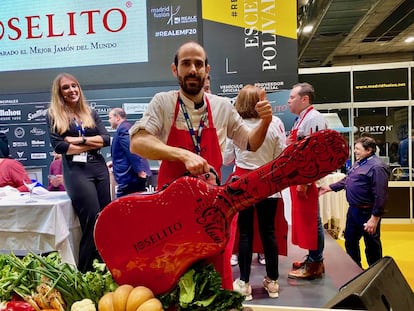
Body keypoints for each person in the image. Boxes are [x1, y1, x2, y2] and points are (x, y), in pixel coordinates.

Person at [129, 41, 273, 290]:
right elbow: (138, 141)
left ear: (207, 70)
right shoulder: (163, 103)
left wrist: (265, 122)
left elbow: (250, 143)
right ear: (175, 70)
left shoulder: (222, 106)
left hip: (211, 210)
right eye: (186, 63)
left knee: (215, 277)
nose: (193, 69)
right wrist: (182, 154)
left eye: (198, 64)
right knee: (174, 277)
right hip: (170, 212)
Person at [224, 85, 286, 300]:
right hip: (268, 184)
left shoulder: (236, 125)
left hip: (243, 185)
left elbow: (226, 158)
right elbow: (281, 155)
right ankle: (273, 282)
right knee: (269, 233)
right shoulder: (275, 123)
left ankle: (244, 283)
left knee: (245, 233)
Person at [47, 72, 111, 273]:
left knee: (106, 219)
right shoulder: (53, 115)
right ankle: (85, 272)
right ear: (60, 93)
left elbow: (106, 140)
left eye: (74, 85)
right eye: (66, 87)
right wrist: (89, 143)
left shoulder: (89, 112)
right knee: (92, 221)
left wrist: (77, 140)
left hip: (98, 168)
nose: (71, 90)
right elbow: (60, 147)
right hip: (76, 171)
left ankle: (106, 266)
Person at [319, 136, 390, 267]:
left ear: (369, 150)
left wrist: (374, 218)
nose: (355, 151)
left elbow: (381, 195)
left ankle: (374, 274)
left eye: (358, 149)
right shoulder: (359, 163)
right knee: (350, 241)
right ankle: (355, 270)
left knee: (371, 246)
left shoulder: (378, 167)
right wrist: (329, 188)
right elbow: (348, 180)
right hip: (353, 211)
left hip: (367, 213)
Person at [286, 82, 328, 280]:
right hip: (300, 178)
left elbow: (316, 153)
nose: (288, 101)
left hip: (306, 180)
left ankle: (315, 263)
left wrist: (306, 181)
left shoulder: (314, 118)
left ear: (304, 99)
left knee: (313, 221)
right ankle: (312, 258)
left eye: (292, 97)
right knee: (307, 220)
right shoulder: (301, 119)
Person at [107, 108, 152, 197]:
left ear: (117, 118)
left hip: (129, 178)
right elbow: (126, 151)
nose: (109, 121)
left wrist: (140, 171)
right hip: (130, 178)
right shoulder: (126, 128)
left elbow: (132, 150)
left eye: (110, 118)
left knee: (123, 207)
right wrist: (114, 162)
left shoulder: (123, 130)